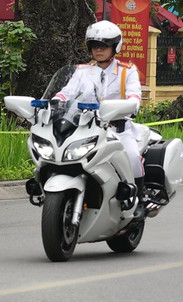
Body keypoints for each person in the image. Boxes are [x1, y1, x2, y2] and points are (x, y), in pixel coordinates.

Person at [53, 21, 148, 219]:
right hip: (86, 128)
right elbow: (67, 92)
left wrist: (131, 104)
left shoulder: (127, 70)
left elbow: (134, 95)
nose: (98, 50)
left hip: (117, 129)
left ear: (115, 47)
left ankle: (138, 199)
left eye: (104, 46)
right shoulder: (82, 71)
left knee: (131, 155)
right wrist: (55, 102)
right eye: (94, 45)